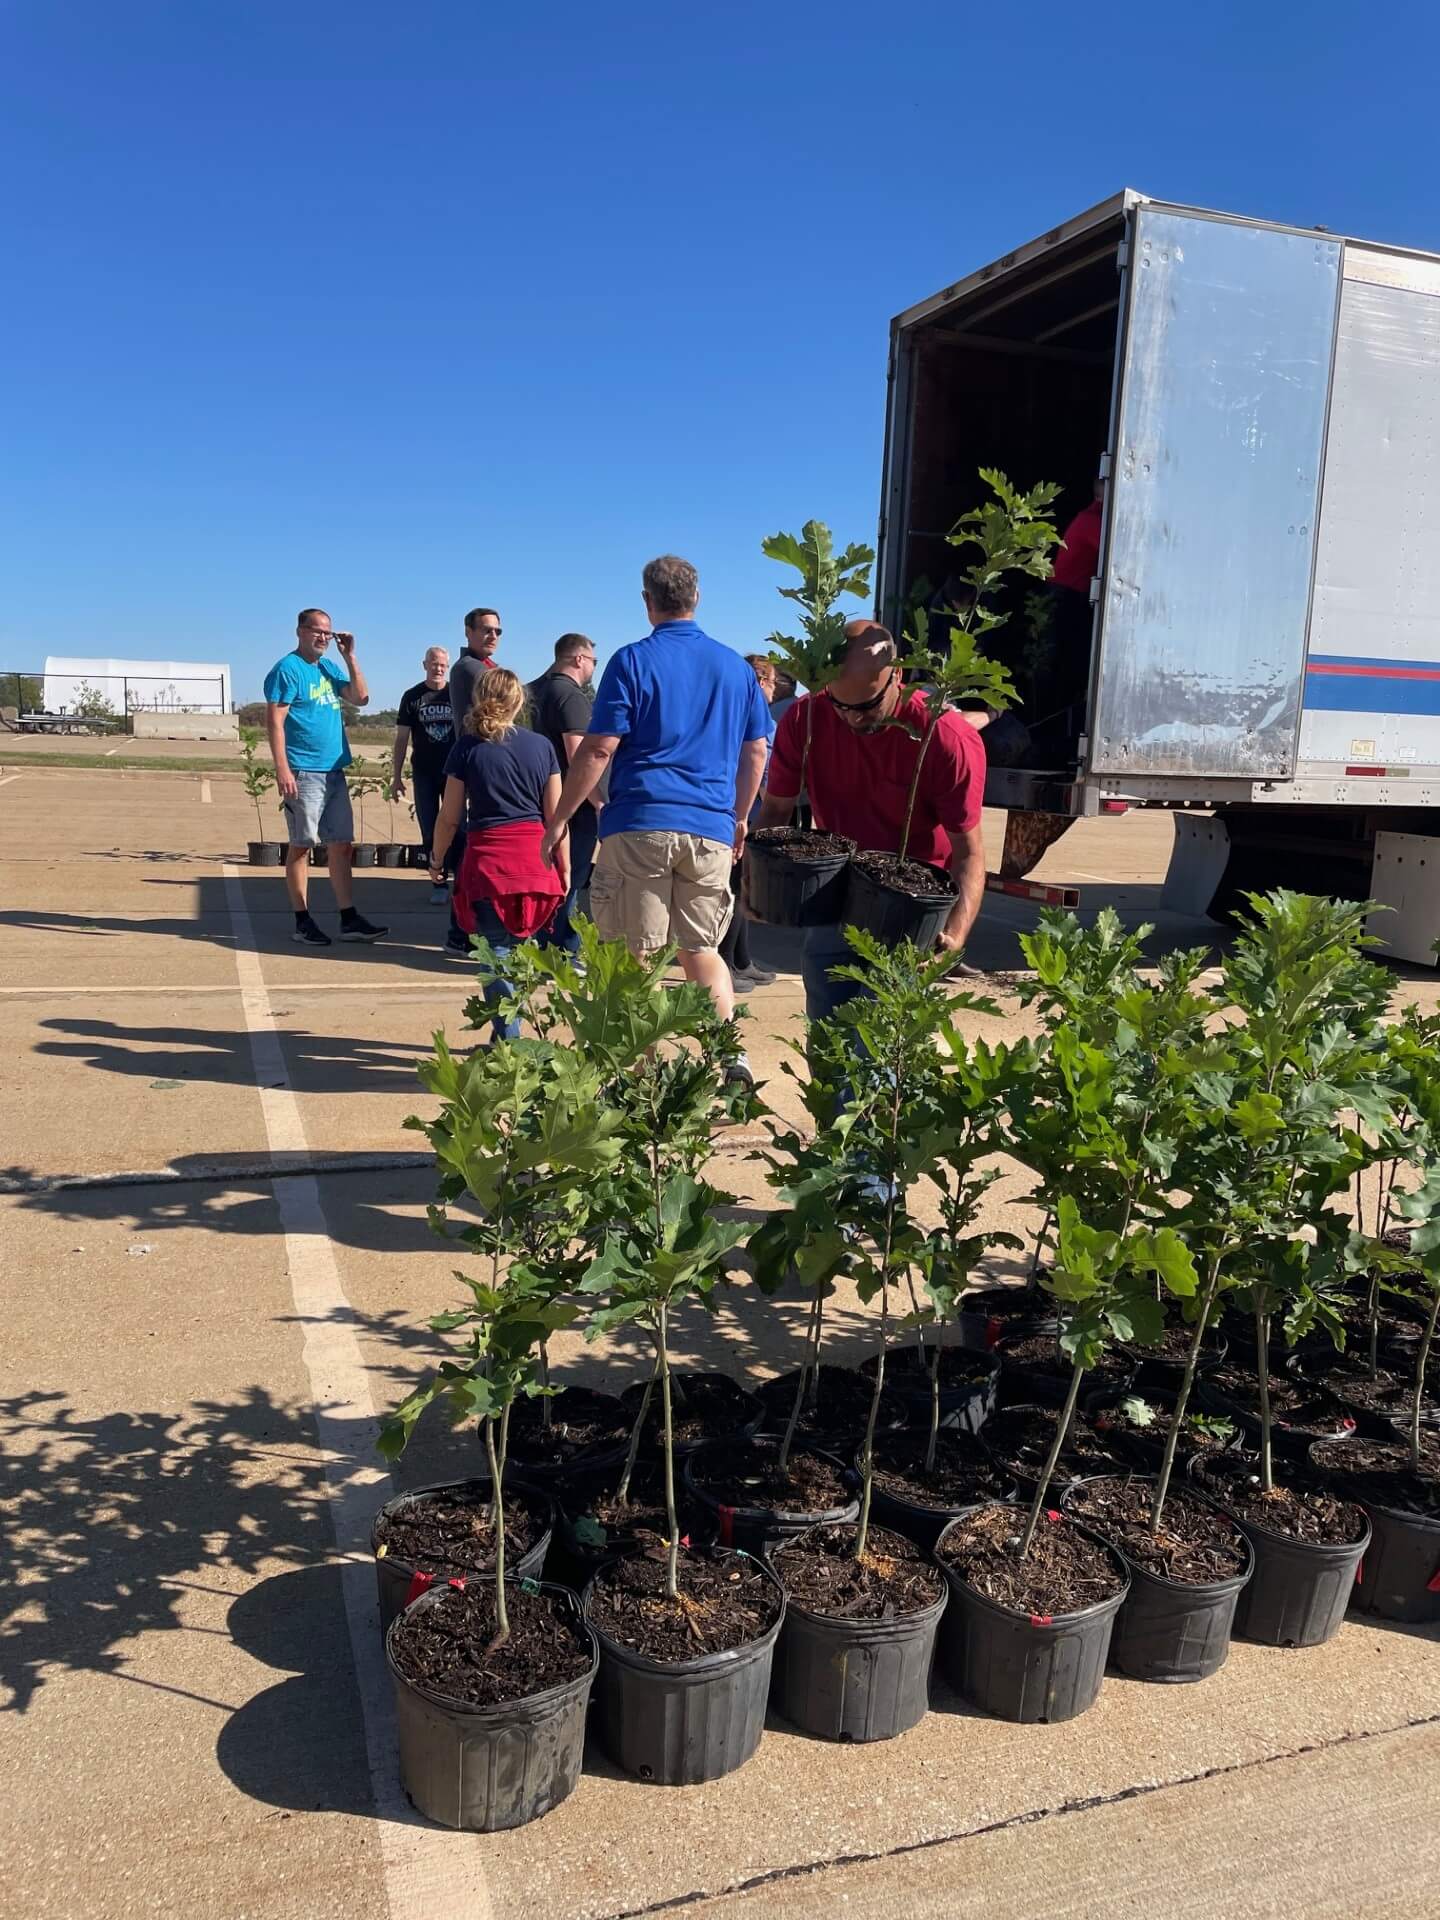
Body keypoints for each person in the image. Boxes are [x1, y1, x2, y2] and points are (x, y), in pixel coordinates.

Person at [539, 554, 771, 1081]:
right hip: (709, 829)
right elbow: (756, 749)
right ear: (697, 598)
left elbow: (599, 748)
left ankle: (639, 1078)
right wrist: (738, 817)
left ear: (648, 601)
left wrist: (560, 820)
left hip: (640, 824)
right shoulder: (736, 668)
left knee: (633, 956)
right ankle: (729, 1055)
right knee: (702, 950)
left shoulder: (632, 661)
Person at [754, 620, 986, 1020]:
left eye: (865, 707)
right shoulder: (805, 718)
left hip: (911, 903)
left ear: (896, 675)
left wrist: (955, 933)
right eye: (839, 705)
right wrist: (755, 882)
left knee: (879, 1040)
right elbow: (775, 811)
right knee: (828, 1033)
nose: (851, 719)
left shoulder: (945, 739)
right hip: (836, 893)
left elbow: (969, 852)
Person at [428, 669, 569, 1041]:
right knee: (520, 952)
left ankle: (509, 1041)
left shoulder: (467, 747)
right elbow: (557, 818)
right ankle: (506, 1036)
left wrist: (437, 859)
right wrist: (565, 866)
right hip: (535, 865)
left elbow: (449, 818)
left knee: (495, 953)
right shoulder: (543, 747)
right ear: (518, 702)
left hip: (489, 866)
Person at [263, 609, 388, 948]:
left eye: (327, 633)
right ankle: (302, 920)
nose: (322, 637)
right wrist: (282, 768)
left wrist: (350, 657)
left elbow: (361, 698)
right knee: (302, 846)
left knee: (342, 845)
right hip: (304, 772)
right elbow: (275, 722)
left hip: (334, 771)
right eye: (316, 631)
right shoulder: (288, 669)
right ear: (300, 631)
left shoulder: (328, 668)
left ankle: (349, 918)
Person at [525, 632, 599, 953]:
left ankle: (543, 941)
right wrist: (599, 801)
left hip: (538, 797)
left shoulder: (533, 690)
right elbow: (579, 756)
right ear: (579, 659)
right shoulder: (570, 696)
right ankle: (564, 947)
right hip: (573, 803)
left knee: (547, 871)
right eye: (594, 661)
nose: (594, 668)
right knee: (571, 876)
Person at [717, 655, 778, 991]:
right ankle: (726, 963)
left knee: (742, 889)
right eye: (773, 683)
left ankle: (741, 959)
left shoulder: (730, 713)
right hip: (749, 815)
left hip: (736, 811)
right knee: (736, 891)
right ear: (763, 681)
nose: (774, 691)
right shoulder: (761, 721)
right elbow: (764, 770)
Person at [391, 646, 457, 906]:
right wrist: (396, 776)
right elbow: (401, 739)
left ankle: (461, 880)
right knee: (429, 828)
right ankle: (438, 882)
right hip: (424, 773)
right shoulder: (412, 697)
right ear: (425, 665)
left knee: (458, 826)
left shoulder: (456, 694)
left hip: (454, 774)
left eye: (442, 664)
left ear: (447, 667)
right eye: (433, 663)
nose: (438, 668)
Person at [447, 608, 503, 733]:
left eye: (498, 631)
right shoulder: (469, 668)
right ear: (468, 632)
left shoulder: (486, 666)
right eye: (487, 630)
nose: (493, 636)